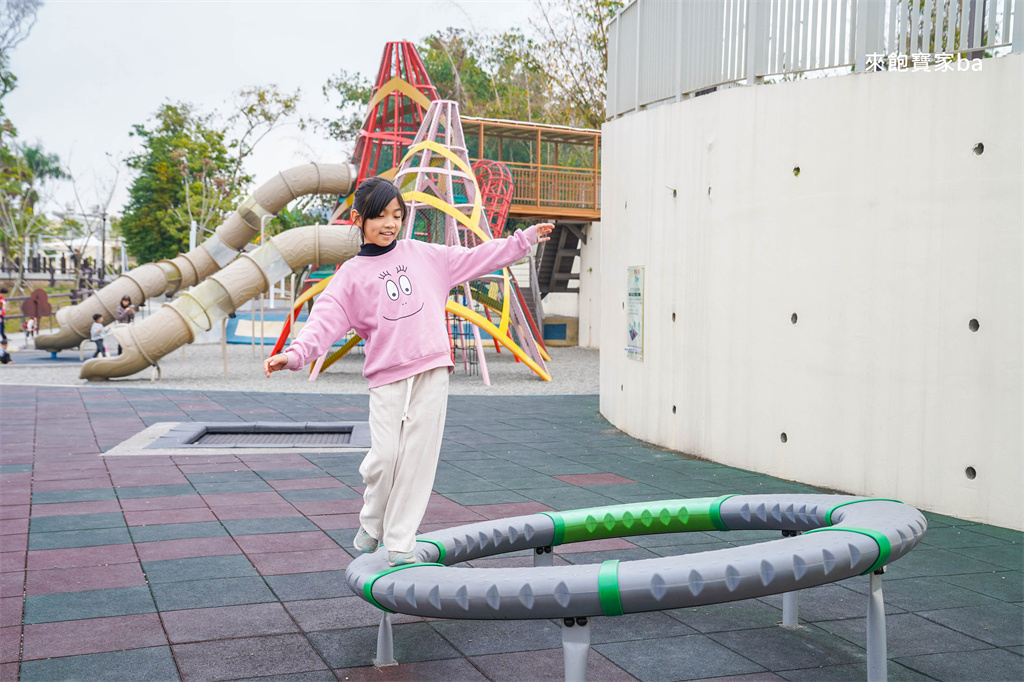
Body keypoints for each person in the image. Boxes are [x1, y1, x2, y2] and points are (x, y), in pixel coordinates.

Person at [264, 177, 553, 567]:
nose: (389, 224)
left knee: (418, 457)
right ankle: (371, 522)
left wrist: (524, 240)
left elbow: (478, 257)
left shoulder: (424, 255)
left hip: (432, 367)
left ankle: (400, 543)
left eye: (396, 215)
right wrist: (295, 355)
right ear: (358, 219)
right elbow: (325, 320)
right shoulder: (350, 274)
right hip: (387, 376)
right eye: (379, 216)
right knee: (385, 457)